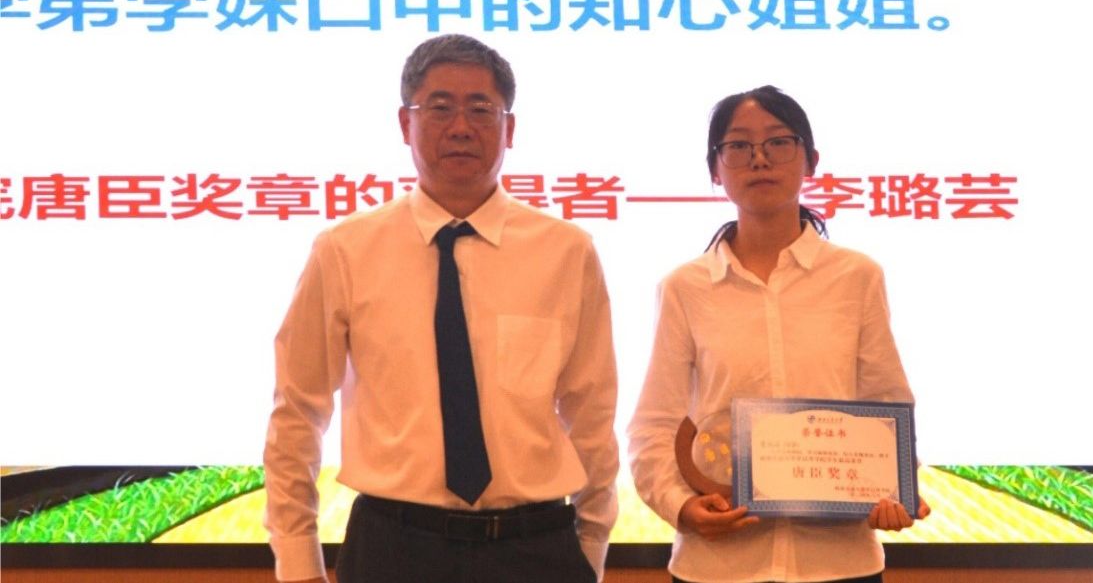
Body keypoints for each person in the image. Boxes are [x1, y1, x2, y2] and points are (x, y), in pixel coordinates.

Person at [264, 33, 619, 583]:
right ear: (405, 124)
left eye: (480, 109)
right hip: (393, 547)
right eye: (439, 108)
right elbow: (297, 410)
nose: (460, 127)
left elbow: (591, 413)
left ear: (509, 129)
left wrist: (590, 546)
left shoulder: (566, 252)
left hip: (535, 547)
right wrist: (298, 562)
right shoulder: (345, 250)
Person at [627, 85, 928, 583]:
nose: (759, 159)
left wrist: (896, 488)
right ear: (715, 169)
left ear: (811, 161)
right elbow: (655, 423)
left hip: (839, 564)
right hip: (719, 566)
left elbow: (887, 401)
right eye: (739, 145)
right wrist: (681, 506)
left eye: (778, 142)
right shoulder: (685, 287)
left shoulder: (857, 277)